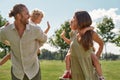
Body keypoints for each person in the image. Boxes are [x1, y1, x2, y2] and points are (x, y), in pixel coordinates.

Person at [0, 4, 47, 80]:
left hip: (33, 71)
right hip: (17, 72)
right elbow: (1, 36)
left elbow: (44, 39)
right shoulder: (7, 31)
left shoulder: (35, 29)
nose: (29, 16)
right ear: (18, 16)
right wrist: (9, 42)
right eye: (26, 14)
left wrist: (36, 46)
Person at [70, 10, 104, 80]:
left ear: (80, 21)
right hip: (75, 71)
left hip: (87, 72)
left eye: (74, 18)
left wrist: (96, 57)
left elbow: (101, 44)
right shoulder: (73, 34)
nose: (72, 20)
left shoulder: (91, 34)